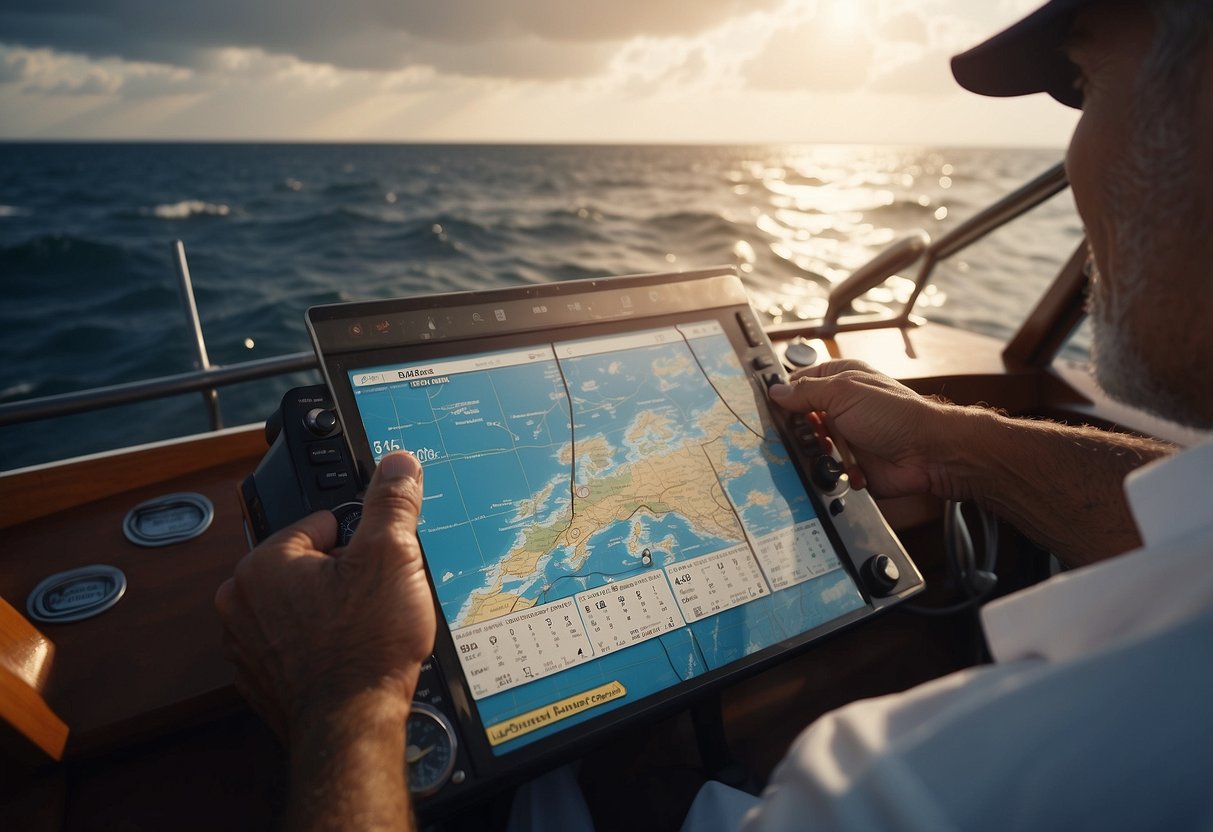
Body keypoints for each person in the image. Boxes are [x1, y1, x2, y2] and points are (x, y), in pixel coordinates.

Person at [214, 0, 1213, 828]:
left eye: (1079, 88)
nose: (1075, 157)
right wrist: (961, 450)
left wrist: (346, 699)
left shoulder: (932, 790)